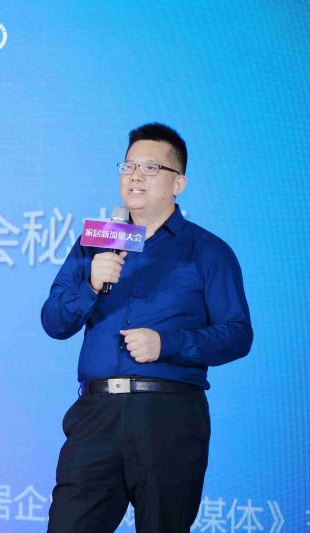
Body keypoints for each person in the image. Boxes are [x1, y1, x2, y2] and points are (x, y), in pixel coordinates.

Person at [40, 123, 253, 532]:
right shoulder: (94, 244)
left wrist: (167, 343)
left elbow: (237, 333)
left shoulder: (208, 251)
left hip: (168, 416)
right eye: (129, 166)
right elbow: (54, 322)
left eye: (151, 168)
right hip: (96, 415)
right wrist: (91, 285)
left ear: (178, 183)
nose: (135, 176)